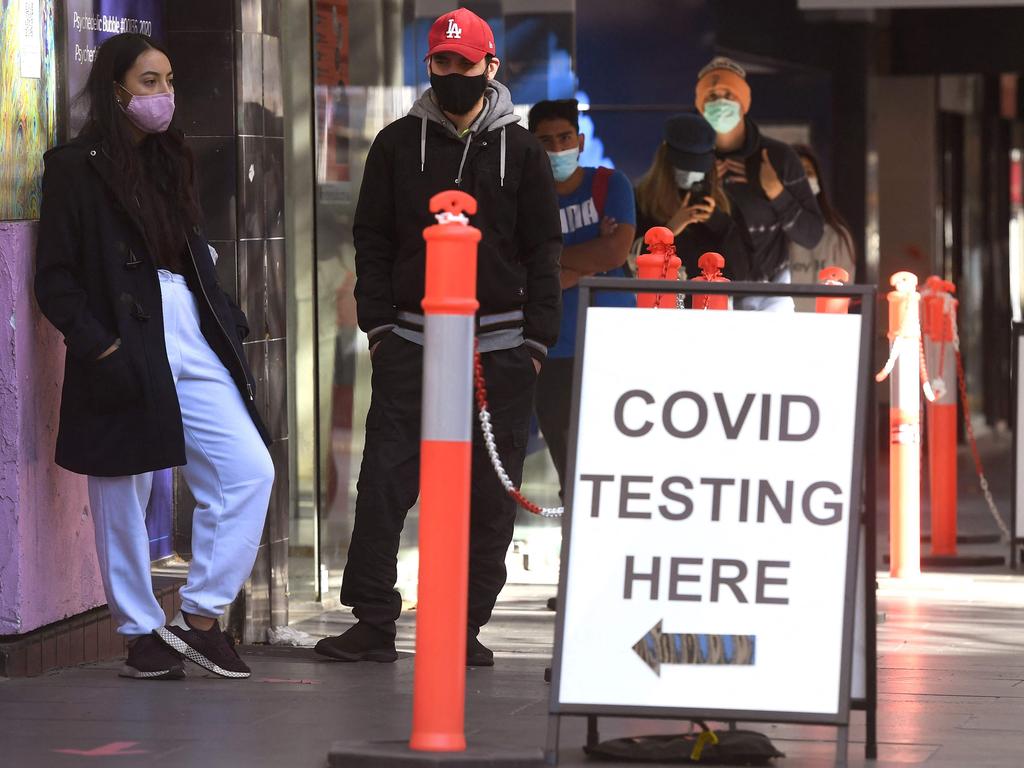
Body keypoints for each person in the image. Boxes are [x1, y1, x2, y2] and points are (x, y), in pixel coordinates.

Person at [314, 8, 561, 668]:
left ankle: (464, 628)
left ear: (490, 67)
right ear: (430, 65)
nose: (453, 74)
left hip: (502, 349)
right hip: (412, 344)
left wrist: (536, 342)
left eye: (465, 64)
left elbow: (544, 250)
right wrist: (381, 328)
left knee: (490, 497)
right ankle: (371, 621)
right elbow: (370, 238)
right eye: (441, 63)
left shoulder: (524, 150)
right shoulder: (396, 145)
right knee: (384, 484)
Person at [34, 33, 274, 680]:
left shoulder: (173, 161)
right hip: (121, 334)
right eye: (149, 83)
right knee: (123, 490)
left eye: (169, 81)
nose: (164, 95)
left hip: (188, 329)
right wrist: (101, 346)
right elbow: (53, 280)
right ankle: (140, 635)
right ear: (116, 90)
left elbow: (193, 255)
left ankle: (200, 616)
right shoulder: (74, 169)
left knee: (248, 468)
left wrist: (223, 313)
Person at [527, 98, 635, 501]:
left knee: (616, 453)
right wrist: (591, 258)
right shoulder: (526, 197)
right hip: (552, 350)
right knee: (568, 464)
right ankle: (573, 544)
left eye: (565, 137)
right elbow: (524, 264)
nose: (557, 149)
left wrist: (560, 268)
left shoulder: (610, 184)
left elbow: (615, 253)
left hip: (612, 343)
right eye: (546, 141)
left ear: (581, 140)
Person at [695, 56, 824, 311]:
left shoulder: (779, 157)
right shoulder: (690, 158)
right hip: (706, 296)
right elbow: (667, 229)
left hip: (770, 295)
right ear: (700, 106)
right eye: (711, 97)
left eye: (729, 95)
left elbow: (811, 235)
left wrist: (776, 191)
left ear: (744, 103)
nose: (720, 102)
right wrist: (704, 191)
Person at [634, 112, 750, 282]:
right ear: (666, 161)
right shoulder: (642, 200)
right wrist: (669, 231)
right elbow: (630, 264)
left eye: (698, 168)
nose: (690, 176)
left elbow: (741, 276)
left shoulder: (724, 205)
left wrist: (720, 223)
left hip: (707, 304)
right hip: (658, 303)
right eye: (684, 166)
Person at [788, 144, 857, 311]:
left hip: (825, 327)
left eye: (808, 173)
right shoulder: (772, 232)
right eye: (797, 174)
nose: (803, 180)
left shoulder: (837, 235)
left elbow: (843, 294)